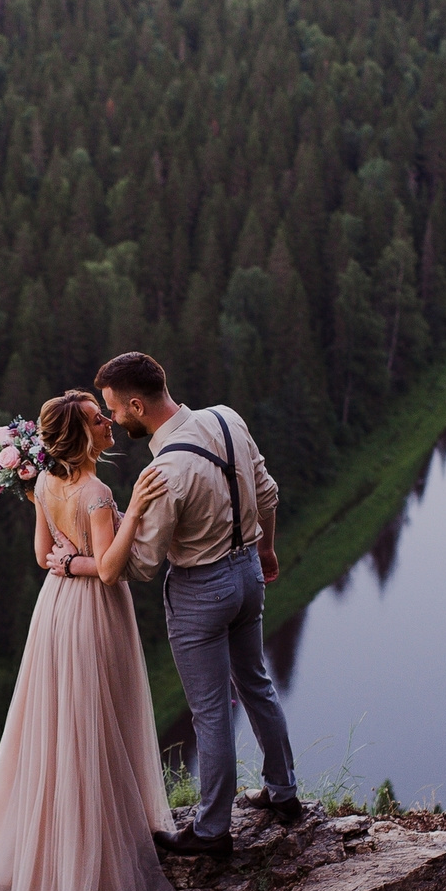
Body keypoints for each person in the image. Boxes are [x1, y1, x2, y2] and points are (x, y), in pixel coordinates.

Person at [0, 390, 178, 891]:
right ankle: (93, 878)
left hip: (55, 611)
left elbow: (43, 557)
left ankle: (51, 861)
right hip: (93, 614)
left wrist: (66, 559)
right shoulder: (98, 493)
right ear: (83, 437)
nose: (109, 423)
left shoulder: (44, 486)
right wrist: (136, 510)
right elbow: (109, 569)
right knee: (94, 726)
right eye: (98, 420)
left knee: (57, 729)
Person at [91, 352, 302, 856]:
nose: (114, 420)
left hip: (200, 593)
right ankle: (284, 793)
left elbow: (141, 565)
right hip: (249, 571)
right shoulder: (227, 417)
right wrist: (266, 548)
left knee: (209, 711)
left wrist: (120, 523)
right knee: (256, 683)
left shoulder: (166, 471)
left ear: (137, 404)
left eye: (115, 410)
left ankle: (211, 831)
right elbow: (268, 493)